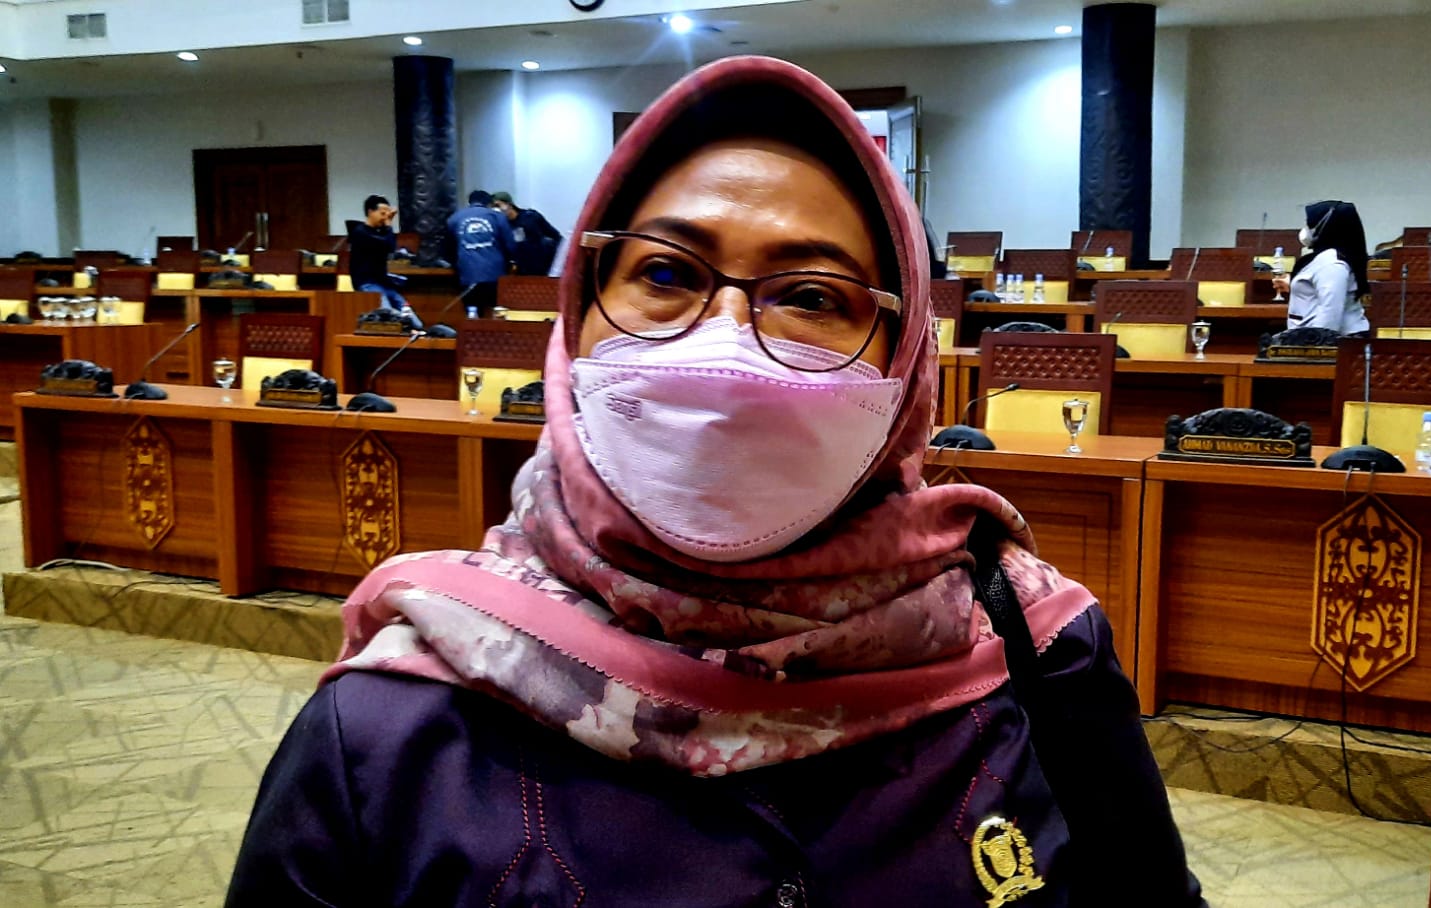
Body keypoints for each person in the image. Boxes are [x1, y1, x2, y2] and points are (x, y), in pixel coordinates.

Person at [226, 56, 1206, 907]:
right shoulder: (385, 730)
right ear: (578, 314)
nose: (725, 343)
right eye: (664, 274)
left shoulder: (1035, 649)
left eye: (812, 294)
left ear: (905, 356)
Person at [1272, 200, 1371, 335]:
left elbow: (1329, 313)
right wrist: (1295, 284)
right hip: (1309, 335)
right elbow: (1318, 287)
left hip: (1328, 341)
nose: (1306, 229)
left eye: (1309, 224)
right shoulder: (1326, 257)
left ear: (1328, 227)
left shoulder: (1333, 264)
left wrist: (1314, 344)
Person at [444, 189, 516, 314]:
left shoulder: (454, 219)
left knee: (472, 312)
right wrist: (510, 262)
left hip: (467, 274)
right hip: (495, 275)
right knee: (496, 313)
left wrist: (457, 265)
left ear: (469, 202)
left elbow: (448, 249)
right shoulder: (498, 217)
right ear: (489, 203)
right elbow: (510, 245)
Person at [346, 195, 410, 311]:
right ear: (370, 212)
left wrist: (387, 225)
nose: (385, 218)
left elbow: (390, 246)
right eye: (382, 213)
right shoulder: (360, 232)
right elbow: (387, 245)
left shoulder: (380, 232)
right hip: (367, 284)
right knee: (387, 315)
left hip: (384, 283)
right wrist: (389, 223)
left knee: (409, 315)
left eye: (387, 214)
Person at [492, 190, 564, 276]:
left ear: (509, 204)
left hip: (543, 265)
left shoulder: (530, 217)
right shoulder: (503, 226)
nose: (496, 210)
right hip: (522, 269)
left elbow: (555, 236)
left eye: (498, 205)